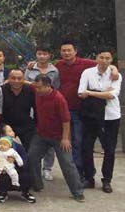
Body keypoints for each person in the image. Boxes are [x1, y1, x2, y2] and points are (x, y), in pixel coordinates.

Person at [54, 39, 119, 180]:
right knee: (72, 144)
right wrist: (32, 65)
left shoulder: (86, 64)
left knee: (79, 142)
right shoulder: (58, 65)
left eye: (69, 50)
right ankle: (81, 173)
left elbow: (104, 64)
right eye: (64, 50)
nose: (66, 53)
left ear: (75, 51)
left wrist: (114, 69)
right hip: (64, 110)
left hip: (82, 111)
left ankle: (80, 173)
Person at [27, 74, 85, 202]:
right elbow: (28, 83)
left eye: (40, 87)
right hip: (41, 134)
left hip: (59, 137)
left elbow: (66, 120)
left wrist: (65, 138)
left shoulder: (59, 99)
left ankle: (77, 192)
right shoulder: (37, 91)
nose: (37, 90)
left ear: (48, 86)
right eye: (36, 87)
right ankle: (37, 184)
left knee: (67, 163)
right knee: (32, 157)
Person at [78, 46, 122, 193]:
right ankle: (89, 177)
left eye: (107, 58)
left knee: (109, 149)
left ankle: (107, 180)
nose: (104, 60)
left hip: (111, 116)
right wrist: (102, 93)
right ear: (96, 58)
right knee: (86, 147)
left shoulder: (116, 75)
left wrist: (91, 93)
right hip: (91, 116)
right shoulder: (87, 73)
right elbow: (81, 93)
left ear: (111, 59)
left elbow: (112, 95)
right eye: (101, 57)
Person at [25, 44, 60, 180]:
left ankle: (47, 168)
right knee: (35, 140)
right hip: (33, 107)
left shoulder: (54, 71)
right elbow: (26, 84)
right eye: (39, 53)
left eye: (45, 54)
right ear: (36, 55)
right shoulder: (30, 68)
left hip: (49, 108)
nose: (42, 56)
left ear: (49, 55)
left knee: (49, 140)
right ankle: (36, 169)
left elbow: (56, 88)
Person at [0, 124, 36, 203]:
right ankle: (3, 191)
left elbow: (24, 162)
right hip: (3, 170)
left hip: (17, 170)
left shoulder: (19, 147)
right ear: (3, 135)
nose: (13, 133)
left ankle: (25, 192)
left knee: (28, 172)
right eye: (9, 131)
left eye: (12, 130)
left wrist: (15, 162)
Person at [0, 69, 36, 150]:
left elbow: (36, 109)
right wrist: (1, 127)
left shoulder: (30, 90)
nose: (16, 81)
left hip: (25, 125)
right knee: (4, 150)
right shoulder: (2, 90)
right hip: (7, 125)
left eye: (19, 78)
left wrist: (35, 124)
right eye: (13, 78)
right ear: (8, 79)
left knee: (30, 151)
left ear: (24, 79)